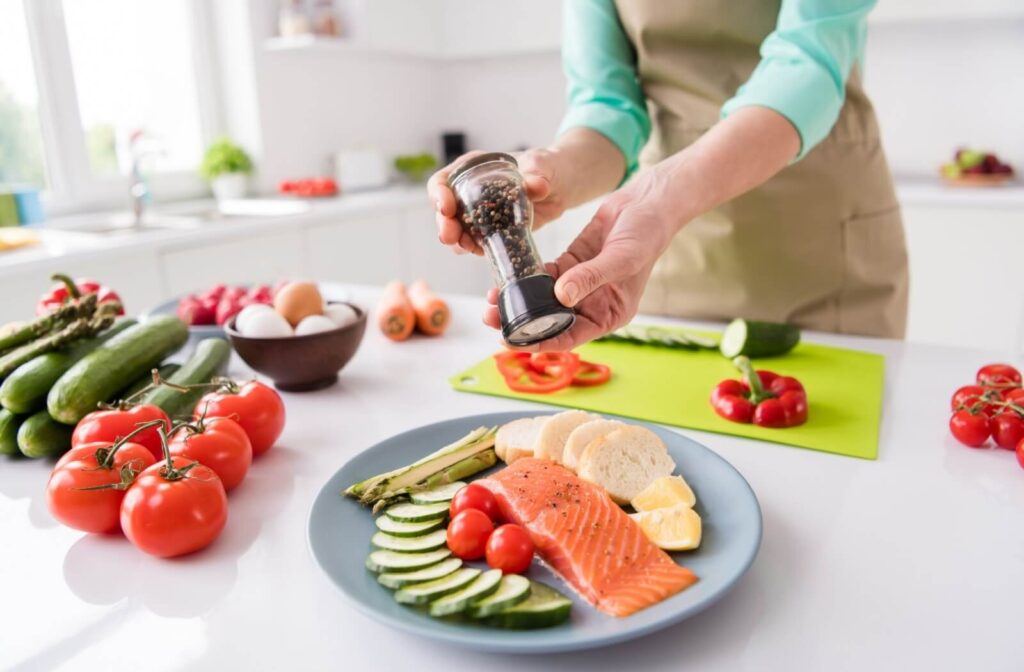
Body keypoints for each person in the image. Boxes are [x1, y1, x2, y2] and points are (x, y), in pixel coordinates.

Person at [429, 0, 908, 351]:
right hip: (665, 246)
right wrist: (555, 173)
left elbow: (809, 65)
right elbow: (607, 105)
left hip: (822, 237)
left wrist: (663, 194)